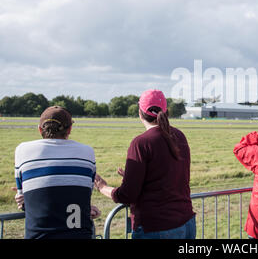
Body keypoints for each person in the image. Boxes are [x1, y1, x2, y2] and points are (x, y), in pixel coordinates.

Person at [94, 89, 195, 239]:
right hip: (186, 223)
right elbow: (169, 176)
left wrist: (102, 187)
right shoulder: (179, 135)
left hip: (156, 227)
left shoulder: (141, 143)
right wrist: (134, 177)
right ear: (166, 112)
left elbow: (127, 195)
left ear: (140, 113)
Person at [14, 106, 100, 239]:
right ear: (69, 129)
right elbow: (82, 193)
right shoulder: (87, 152)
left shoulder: (22, 150)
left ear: (40, 129)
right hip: (79, 234)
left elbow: (23, 202)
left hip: (39, 235)